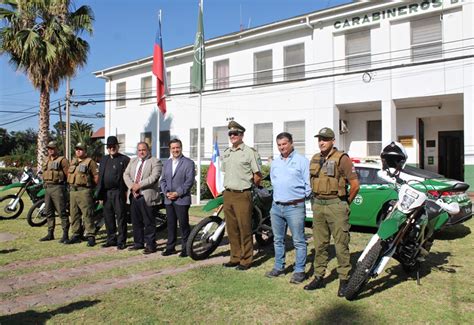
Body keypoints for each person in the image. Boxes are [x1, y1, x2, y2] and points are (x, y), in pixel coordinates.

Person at [304, 127, 360, 297]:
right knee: (320, 244)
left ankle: (344, 279)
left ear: (333, 141)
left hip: (336, 204)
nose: (322, 142)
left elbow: (355, 186)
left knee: (341, 244)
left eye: (325, 139)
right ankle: (319, 277)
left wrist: (344, 204)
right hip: (319, 204)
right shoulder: (315, 158)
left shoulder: (342, 159)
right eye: (320, 139)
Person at [265, 132, 311, 284]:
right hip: (277, 207)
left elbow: (308, 184)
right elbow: (274, 181)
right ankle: (279, 266)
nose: (281, 147)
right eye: (279, 145)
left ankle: (299, 270)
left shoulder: (302, 161)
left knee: (298, 240)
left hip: (295, 207)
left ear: (291, 143)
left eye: (284, 144)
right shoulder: (275, 163)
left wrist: (299, 198)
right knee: (278, 239)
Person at [221, 120, 262, 270]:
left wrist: (249, 189)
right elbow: (225, 172)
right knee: (231, 228)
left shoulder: (249, 152)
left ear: (242, 135)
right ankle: (235, 257)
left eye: (235, 133)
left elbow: (257, 175)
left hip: (243, 195)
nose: (233, 136)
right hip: (228, 194)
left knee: (244, 228)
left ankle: (246, 259)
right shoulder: (226, 153)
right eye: (230, 134)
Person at [123, 142, 162, 254]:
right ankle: (138, 243)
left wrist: (139, 185)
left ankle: (150, 245)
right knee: (136, 221)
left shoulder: (155, 161)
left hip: (147, 196)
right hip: (134, 196)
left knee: (149, 222)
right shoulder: (133, 161)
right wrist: (132, 186)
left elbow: (154, 177)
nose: (141, 152)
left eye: (143, 149)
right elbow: (126, 175)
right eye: (139, 150)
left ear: (148, 150)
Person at [160, 139, 195, 257]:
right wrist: (166, 192)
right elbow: (163, 180)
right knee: (171, 224)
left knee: (184, 225)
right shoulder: (167, 163)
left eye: (177, 147)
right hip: (169, 199)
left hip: (182, 199)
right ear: (170, 149)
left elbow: (189, 181)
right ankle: (170, 247)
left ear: (181, 148)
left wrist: (177, 193)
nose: (175, 150)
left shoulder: (189, 163)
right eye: (173, 148)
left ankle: (186, 248)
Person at [96, 136, 130, 250]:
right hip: (106, 193)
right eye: (109, 147)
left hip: (119, 192)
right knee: (108, 217)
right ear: (107, 148)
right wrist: (100, 194)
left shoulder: (124, 159)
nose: (111, 148)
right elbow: (100, 177)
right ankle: (111, 239)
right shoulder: (104, 159)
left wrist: (126, 192)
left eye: (113, 146)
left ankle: (121, 240)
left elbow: (128, 177)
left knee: (121, 217)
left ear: (117, 146)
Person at [66, 142, 99, 247]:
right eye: (77, 149)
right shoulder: (73, 162)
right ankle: (76, 234)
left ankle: (90, 235)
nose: (78, 151)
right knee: (74, 214)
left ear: (85, 151)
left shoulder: (90, 162)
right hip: (73, 191)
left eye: (80, 149)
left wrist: (94, 190)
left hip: (84, 191)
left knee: (87, 214)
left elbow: (96, 177)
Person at [39, 141, 70, 243]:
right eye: (49, 148)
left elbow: (68, 175)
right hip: (47, 188)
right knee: (48, 211)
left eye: (52, 148)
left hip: (58, 188)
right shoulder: (46, 160)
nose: (50, 150)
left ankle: (65, 234)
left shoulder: (62, 160)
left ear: (57, 149)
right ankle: (50, 233)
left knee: (61, 212)